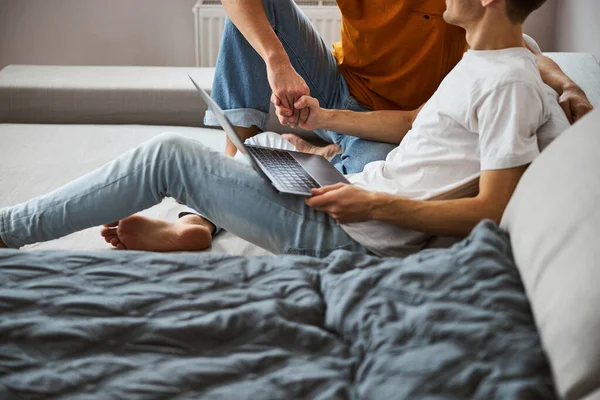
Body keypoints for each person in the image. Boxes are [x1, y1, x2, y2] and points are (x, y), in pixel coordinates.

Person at [0, 0, 563, 257]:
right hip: (362, 188)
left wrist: (373, 205)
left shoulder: (507, 83)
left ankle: (11, 227)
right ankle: (213, 210)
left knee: (167, 156)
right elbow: (421, 123)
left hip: (355, 227)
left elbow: (491, 207)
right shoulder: (485, 58)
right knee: (270, 145)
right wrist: (319, 121)